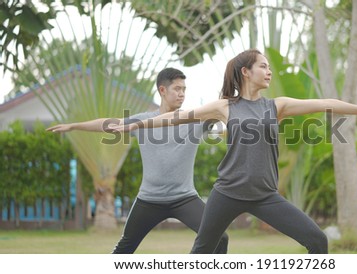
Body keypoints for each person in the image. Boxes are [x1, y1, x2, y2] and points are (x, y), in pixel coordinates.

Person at [108, 49, 357, 254]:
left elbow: (325, 102)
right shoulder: (224, 106)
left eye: (268, 66)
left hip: (265, 195)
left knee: (317, 241)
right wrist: (132, 126)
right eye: (263, 66)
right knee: (201, 254)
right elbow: (174, 117)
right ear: (245, 72)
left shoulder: (277, 106)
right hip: (226, 194)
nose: (269, 71)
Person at [47, 68, 228, 254]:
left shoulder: (195, 119)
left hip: (184, 199)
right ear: (162, 90)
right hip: (149, 200)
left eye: (184, 89)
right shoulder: (142, 121)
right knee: (124, 249)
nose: (182, 94)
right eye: (177, 89)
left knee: (220, 238)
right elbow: (108, 124)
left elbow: (221, 107)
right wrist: (74, 126)